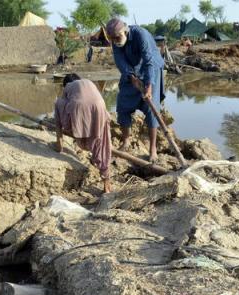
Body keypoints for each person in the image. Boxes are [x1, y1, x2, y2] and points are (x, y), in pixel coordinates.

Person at [106, 18, 165, 162]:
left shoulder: (141, 35)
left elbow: (149, 61)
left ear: (125, 31)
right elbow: (119, 60)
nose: (115, 41)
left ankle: (153, 150)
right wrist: (131, 76)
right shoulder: (115, 39)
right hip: (131, 71)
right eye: (112, 39)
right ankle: (126, 141)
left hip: (151, 70)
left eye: (117, 37)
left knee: (151, 109)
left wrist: (149, 85)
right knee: (122, 105)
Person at [54, 73, 113, 193]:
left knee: (58, 103)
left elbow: (64, 104)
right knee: (100, 143)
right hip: (100, 107)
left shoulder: (68, 86)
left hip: (80, 108)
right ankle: (106, 183)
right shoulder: (88, 82)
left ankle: (59, 142)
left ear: (66, 84)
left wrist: (64, 126)